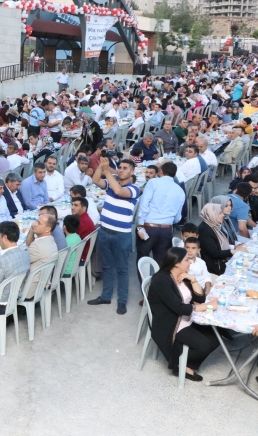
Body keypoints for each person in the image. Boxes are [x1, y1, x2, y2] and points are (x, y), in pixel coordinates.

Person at [147, 247, 220, 382]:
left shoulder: (182, 275)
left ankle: (186, 365)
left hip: (187, 317)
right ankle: (178, 364)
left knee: (217, 336)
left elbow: (200, 298)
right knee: (204, 345)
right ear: (176, 263)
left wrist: (192, 279)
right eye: (186, 260)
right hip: (170, 322)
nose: (190, 262)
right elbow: (179, 308)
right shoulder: (162, 280)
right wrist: (208, 306)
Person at [87, 158, 140, 315]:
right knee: (107, 266)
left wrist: (107, 171)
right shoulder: (112, 183)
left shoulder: (134, 189)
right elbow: (95, 180)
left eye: (125, 168)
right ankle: (106, 296)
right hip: (105, 231)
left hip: (121, 235)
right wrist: (101, 167)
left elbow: (118, 191)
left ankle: (122, 301)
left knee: (122, 269)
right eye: (120, 167)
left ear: (132, 172)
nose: (121, 170)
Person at [135, 161, 185, 267]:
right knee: (162, 263)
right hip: (166, 229)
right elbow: (177, 218)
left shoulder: (153, 183)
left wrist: (140, 224)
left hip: (149, 226)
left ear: (161, 171)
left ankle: (144, 278)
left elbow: (144, 204)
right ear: (174, 174)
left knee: (143, 260)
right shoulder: (180, 190)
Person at [24, 213, 59, 298]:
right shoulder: (50, 240)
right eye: (36, 221)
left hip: (29, 288)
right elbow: (29, 244)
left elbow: (20, 264)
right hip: (42, 283)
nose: (34, 224)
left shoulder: (37, 246)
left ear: (47, 229)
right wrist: (33, 229)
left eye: (39, 223)